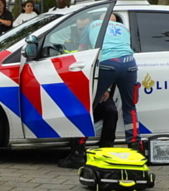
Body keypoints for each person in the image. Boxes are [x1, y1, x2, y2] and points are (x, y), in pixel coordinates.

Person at [57, 13, 138, 168]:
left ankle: (77, 152)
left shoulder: (92, 26)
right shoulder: (124, 29)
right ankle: (135, 148)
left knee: (89, 107)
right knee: (130, 108)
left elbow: (83, 53)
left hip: (108, 63)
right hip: (129, 63)